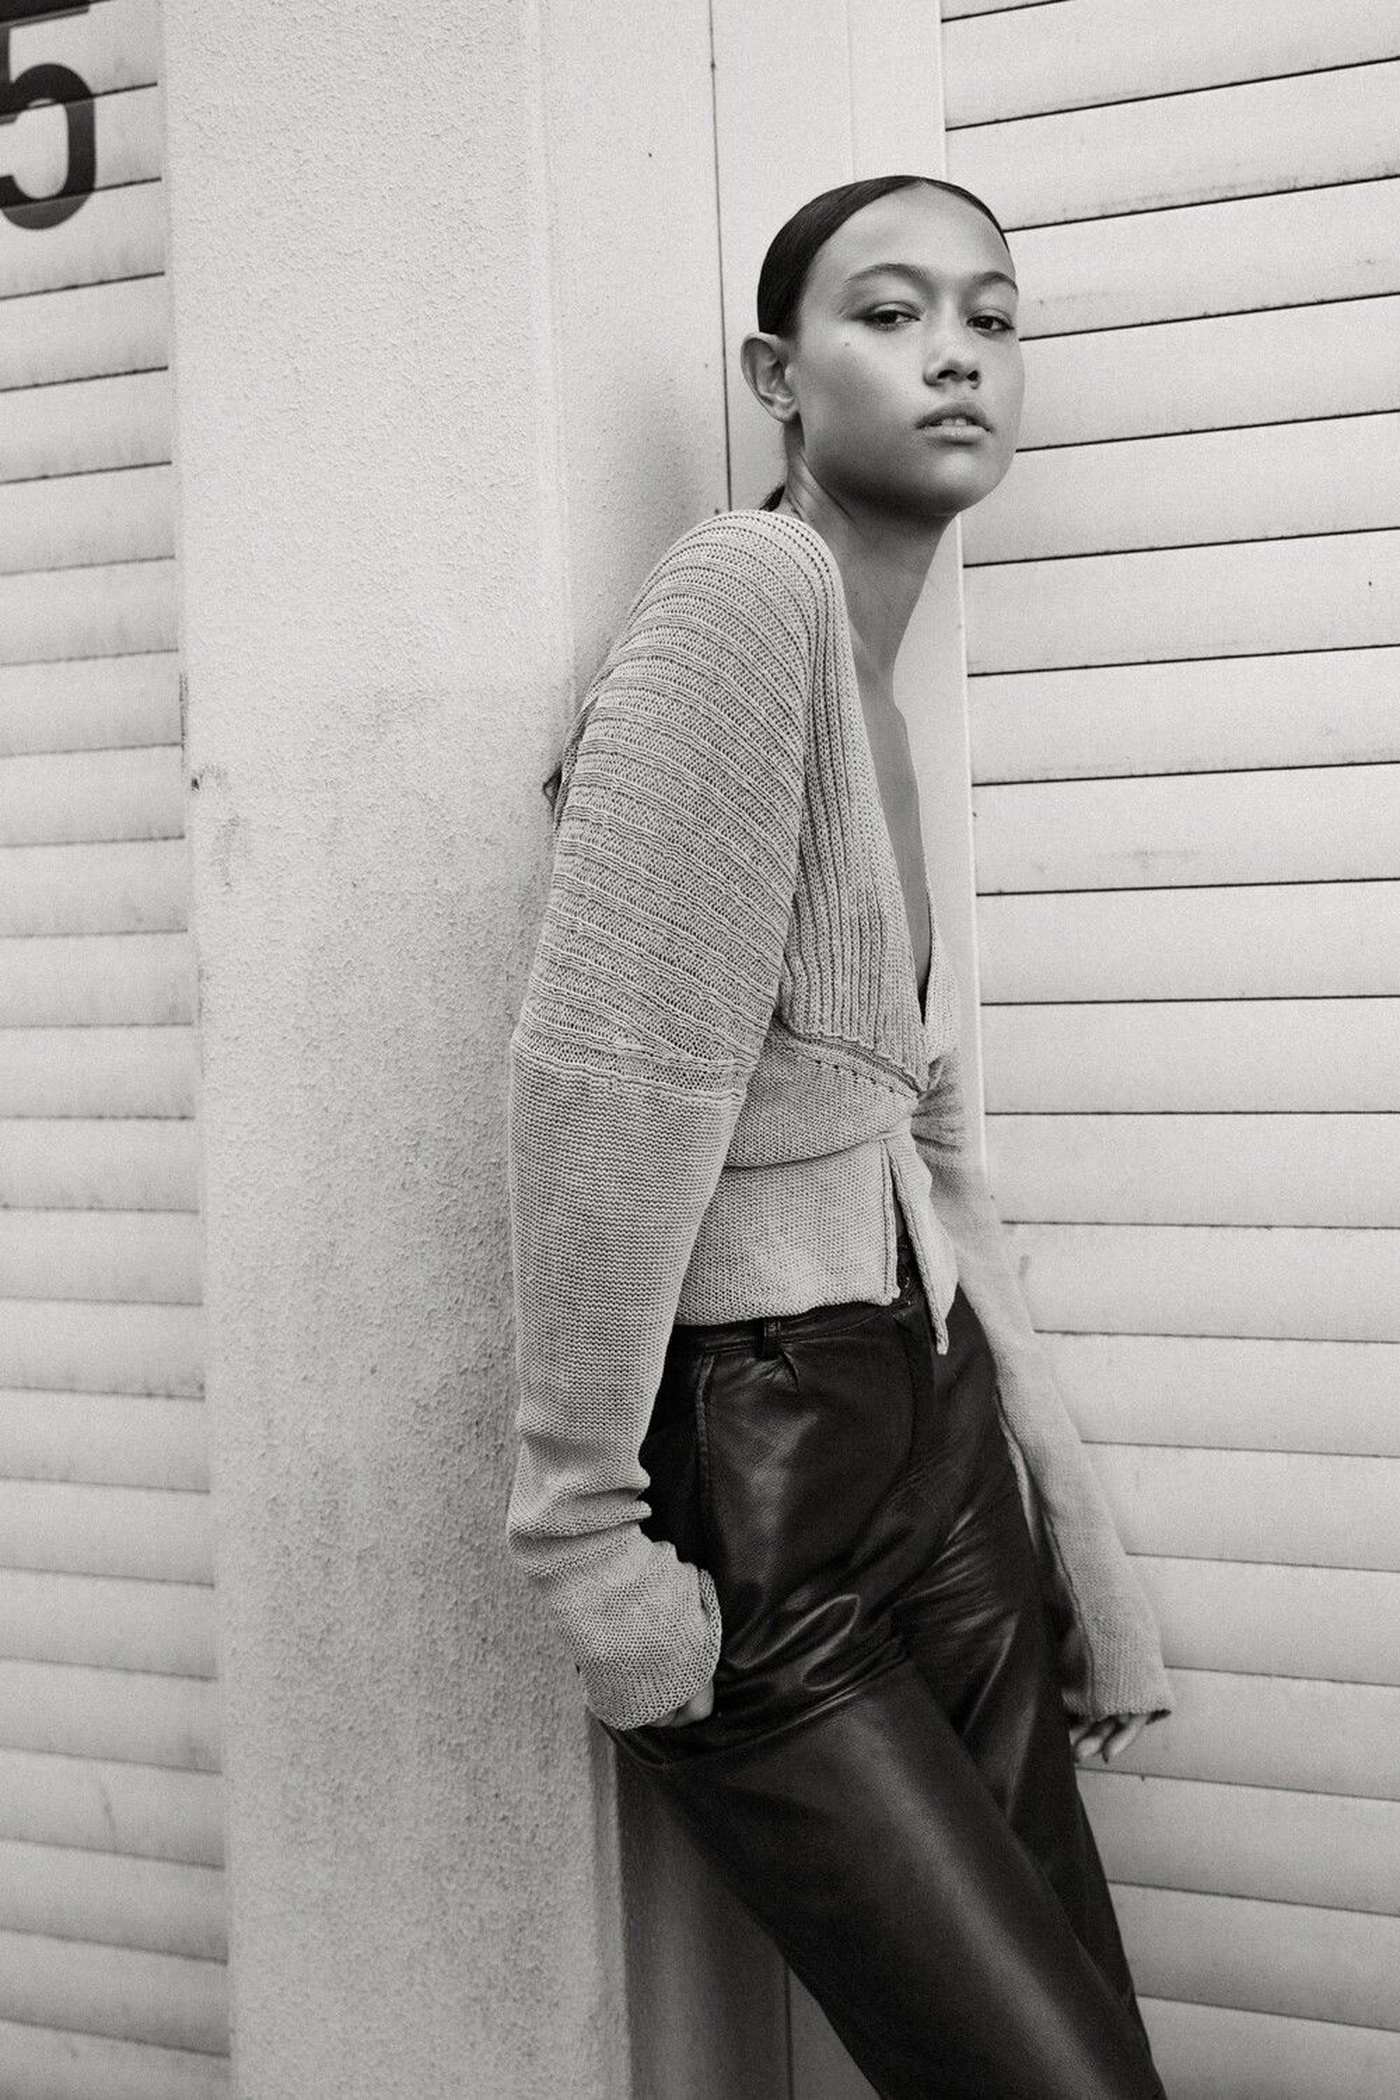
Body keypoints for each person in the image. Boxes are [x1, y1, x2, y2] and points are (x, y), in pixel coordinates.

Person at [504, 173, 1174, 2099]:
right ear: (774, 375)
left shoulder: (879, 676)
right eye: (890, 313)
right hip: (760, 1465)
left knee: (1090, 2039)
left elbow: (928, 1157)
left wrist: (1073, 1542)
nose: (958, 353)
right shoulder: (750, 597)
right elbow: (607, 1079)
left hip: (924, 1422)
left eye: (993, 315)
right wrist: (585, 1541)